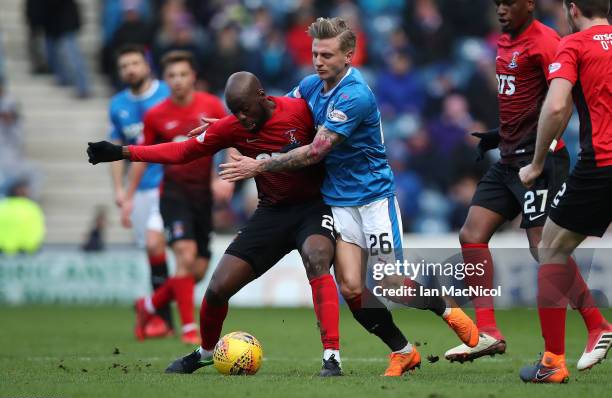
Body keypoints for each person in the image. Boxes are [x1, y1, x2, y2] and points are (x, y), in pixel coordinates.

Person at [217, 17, 479, 377]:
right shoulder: (310, 86)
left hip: (374, 199)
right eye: (314, 53)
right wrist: (223, 127)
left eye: (326, 54)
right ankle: (403, 351)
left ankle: (448, 311)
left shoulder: (354, 95)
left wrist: (258, 167)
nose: (318, 61)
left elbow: (314, 152)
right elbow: (271, 111)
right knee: (353, 288)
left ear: (348, 58)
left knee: (390, 284)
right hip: (339, 202)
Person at [87, 71, 342, 377]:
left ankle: (331, 356)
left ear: (261, 95)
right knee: (218, 289)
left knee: (317, 258)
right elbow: (182, 151)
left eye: (245, 108)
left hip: (313, 207)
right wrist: (122, 152)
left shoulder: (299, 111)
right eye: (234, 111)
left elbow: (332, 143)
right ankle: (206, 352)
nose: (242, 117)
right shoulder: (232, 126)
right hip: (271, 213)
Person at [445, 0, 610, 367]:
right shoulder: (504, 42)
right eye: (497, 3)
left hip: (540, 161)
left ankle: (596, 324)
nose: (501, 10)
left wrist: (541, 149)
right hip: (507, 159)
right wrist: (499, 134)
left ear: (529, 5)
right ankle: (488, 332)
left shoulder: (548, 41)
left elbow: (559, 101)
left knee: (543, 248)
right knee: (471, 234)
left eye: (509, 3)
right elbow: (523, 100)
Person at [518, 0, 612, 383]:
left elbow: (556, 106)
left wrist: (537, 161)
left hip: (602, 163)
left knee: (550, 249)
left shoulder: (573, 45)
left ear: (572, 9)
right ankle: (595, 325)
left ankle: (552, 362)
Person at [123, 50, 226, 344]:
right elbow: (142, 156)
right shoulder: (156, 115)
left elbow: (232, 138)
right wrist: (129, 196)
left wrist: (224, 175)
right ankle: (189, 329)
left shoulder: (211, 105)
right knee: (185, 255)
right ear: (164, 80)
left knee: (196, 271)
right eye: (172, 76)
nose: (178, 80)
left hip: (202, 198)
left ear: (193, 77)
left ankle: (149, 305)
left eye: (183, 74)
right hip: (173, 194)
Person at [107, 44, 173, 339]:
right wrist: (122, 193)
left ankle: (160, 314)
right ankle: (163, 318)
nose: (130, 70)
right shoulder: (117, 105)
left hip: (171, 184)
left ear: (147, 65)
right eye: (124, 66)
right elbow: (117, 152)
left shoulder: (168, 94)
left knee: (170, 251)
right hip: (141, 190)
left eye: (134, 63)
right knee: (154, 252)